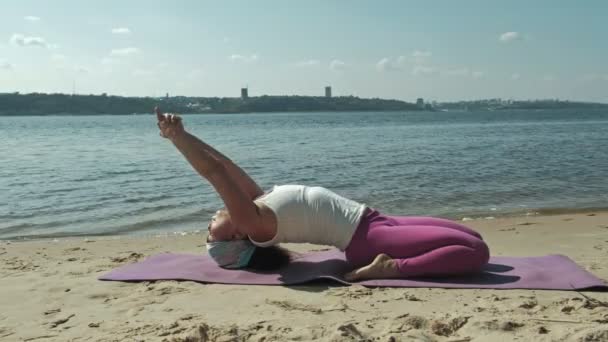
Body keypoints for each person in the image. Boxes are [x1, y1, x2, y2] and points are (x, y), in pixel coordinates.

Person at [156, 108, 490, 281]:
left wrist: (184, 132)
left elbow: (223, 164)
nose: (209, 224)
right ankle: (391, 269)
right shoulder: (254, 226)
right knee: (476, 251)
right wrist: (176, 140)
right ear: (237, 238)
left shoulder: (257, 204)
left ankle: (397, 262)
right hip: (367, 240)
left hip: (376, 220)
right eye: (211, 237)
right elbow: (212, 172)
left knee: (470, 235)